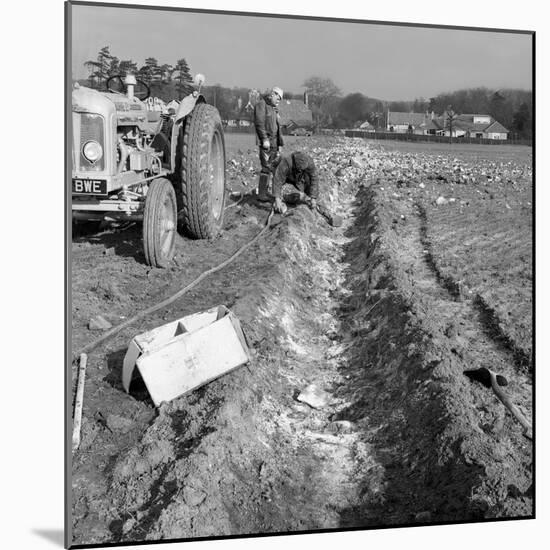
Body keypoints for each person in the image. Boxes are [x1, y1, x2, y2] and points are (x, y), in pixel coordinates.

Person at [254, 86, 284, 201]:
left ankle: (270, 193)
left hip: (275, 144)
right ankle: (262, 194)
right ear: (273, 94)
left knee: (275, 168)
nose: (279, 101)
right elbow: (259, 123)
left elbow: (278, 129)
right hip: (267, 143)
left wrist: (280, 144)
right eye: (278, 98)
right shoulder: (261, 105)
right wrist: (264, 139)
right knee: (266, 168)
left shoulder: (274, 108)